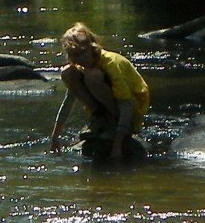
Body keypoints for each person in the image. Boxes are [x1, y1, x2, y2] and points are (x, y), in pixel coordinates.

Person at [48, 23, 150, 161]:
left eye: (82, 53)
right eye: (74, 56)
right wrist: (55, 137)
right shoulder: (79, 65)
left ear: (93, 46)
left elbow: (127, 104)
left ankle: (112, 124)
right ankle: (100, 120)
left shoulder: (111, 63)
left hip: (132, 108)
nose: (80, 59)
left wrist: (117, 145)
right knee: (67, 73)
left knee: (92, 76)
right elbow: (70, 99)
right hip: (109, 106)